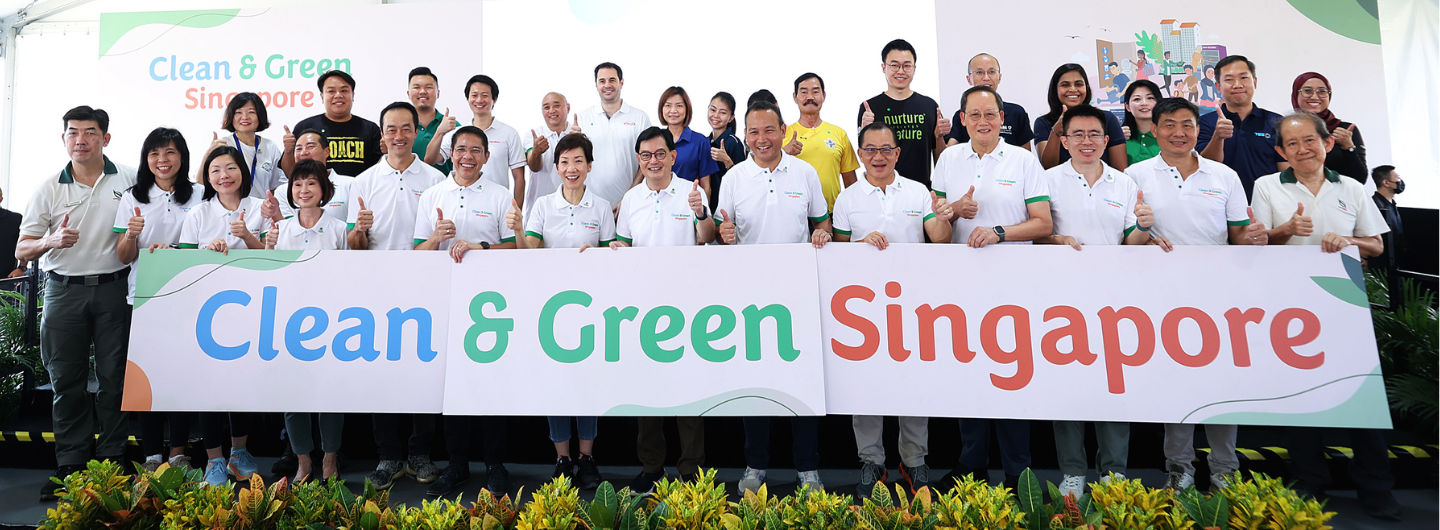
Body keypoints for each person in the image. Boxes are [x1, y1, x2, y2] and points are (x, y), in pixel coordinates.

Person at [1248, 111, 1397, 520]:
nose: (1302, 149)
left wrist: (1347, 240)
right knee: (1301, 396)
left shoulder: (1350, 187)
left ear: (1327, 143)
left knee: (1360, 396)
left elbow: (1376, 246)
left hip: (1344, 301)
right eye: (1291, 144)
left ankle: (1375, 486)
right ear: (1281, 151)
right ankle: (1310, 481)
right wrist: (1285, 230)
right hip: (1289, 305)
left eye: (1309, 141)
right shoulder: (1266, 186)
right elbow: (1256, 243)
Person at [1128, 98, 1267, 491]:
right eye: (1169, 125)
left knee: (1221, 384)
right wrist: (1145, 240)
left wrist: (1253, 237)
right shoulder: (1134, 175)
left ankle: (1225, 470)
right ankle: (1179, 468)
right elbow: (1129, 236)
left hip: (1216, 298)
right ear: (1153, 130)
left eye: (1187, 125)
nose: (1178, 133)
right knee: (1178, 385)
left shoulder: (1224, 175)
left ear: (1197, 129)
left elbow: (1239, 233)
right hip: (1161, 297)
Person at [931, 87, 1052, 492]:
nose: (983, 121)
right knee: (970, 373)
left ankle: (1019, 471)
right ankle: (972, 467)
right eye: (974, 114)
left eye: (991, 114)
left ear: (1003, 118)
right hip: (963, 287)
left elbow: (1043, 223)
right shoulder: (948, 159)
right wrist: (950, 213)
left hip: (1015, 286)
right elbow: (938, 228)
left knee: (1012, 375)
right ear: (962, 120)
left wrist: (999, 232)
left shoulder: (1022, 159)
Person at [714, 101, 832, 494]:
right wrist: (722, 232)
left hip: (798, 295)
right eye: (753, 132)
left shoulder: (805, 172)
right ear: (744, 135)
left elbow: (821, 222)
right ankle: (755, 466)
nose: (761, 139)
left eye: (768, 130)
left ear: (783, 130)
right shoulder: (733, 178)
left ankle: (807, 469)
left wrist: (824, 234)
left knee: (803, 385)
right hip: (748, 299)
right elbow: (721, 223)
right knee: (755, 387)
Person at [20, 106, 137, 501]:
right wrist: (49, 242)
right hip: (63, 291)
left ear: (106, 137)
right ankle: (70, 463)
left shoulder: (129, 178)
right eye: (73, 133)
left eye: (90, 132)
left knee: (114, 378)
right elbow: (23, 247)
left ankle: (113, 457)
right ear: (64, 139)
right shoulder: (49, 186)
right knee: (66, 382)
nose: (81, 140)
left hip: (114, 288)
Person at [1036, 105, 1152, 498]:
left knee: (1113, 388)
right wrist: (1056, 239)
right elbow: (1035, 236)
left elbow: (1131, 242)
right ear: (1064, 140)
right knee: (1068, 390)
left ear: (1107, 140)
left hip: (1114, 302)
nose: (1087, 142)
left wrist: (1145, 229)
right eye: (1078, 135)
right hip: (1061, 303)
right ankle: (1073, 472)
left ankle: (1113, 472)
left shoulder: (1125, 184)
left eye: (1094, 135)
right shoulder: (1047, 180)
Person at [835, 122, 954, 497]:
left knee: (912, 385)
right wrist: (860, 244)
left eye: (886, 149)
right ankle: (871, 461)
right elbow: (837, 256)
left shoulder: (919, 193)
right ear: (860, 154)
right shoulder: (847, 199)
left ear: (898, 153)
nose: (878, 157)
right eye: (870, 150)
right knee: (866, 388)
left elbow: (940, 238)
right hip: (861, 313)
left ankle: (914, 461)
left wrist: (943, 217)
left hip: (911, 308)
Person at [414, 124, 517, 497]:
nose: (467, 157)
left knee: (490, 385)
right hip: (446, 303)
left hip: (493, 308)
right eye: (461, 149)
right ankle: (457, 464)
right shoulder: (432, 195)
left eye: (476, 150)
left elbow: (516, 249)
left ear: (487, 157)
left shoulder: (501, 195)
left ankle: (495, 466)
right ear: (451, 153)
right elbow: (416, 254)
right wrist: (435, 240)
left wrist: (480, 248)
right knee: (452, 386)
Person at [347, 102, 446, 490]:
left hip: (427, 286)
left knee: (424, 373)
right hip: (379, 290)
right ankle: (388, 455)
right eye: (392, 129)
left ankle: (420, 452)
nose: (399, 136)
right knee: (382, 374)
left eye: (406, 128)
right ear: (382, 135)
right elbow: (354, 246)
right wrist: (359, 230)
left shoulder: (436, 178)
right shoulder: (364, 181)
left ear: (414, 132)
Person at [506, 132, 612, 489]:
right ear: (556, 167)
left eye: (578, 161)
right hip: (550, 309)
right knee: (556, 384)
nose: (571, 168)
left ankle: (587, 458)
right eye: (565, 162)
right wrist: (520, 230)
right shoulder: (543, 206)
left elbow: (612, 253)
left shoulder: (601, 206)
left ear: (589, 166)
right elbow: (529, 253)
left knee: (587, 385)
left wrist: (598, 255)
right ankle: (562, 459)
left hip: (591, 310)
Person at [614, 127, 716, 493]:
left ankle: (691, 469)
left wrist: (701, 212)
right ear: (639, 160)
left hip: (687, 308)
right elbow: (622, 246)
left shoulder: (692, 190)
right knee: (649, 391)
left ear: (673, 156)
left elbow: (707, 238)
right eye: (646, 155)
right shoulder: (631, 200)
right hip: (643, 309)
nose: (653, 161)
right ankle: (651, 466)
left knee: (689, 391)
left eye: (660, 154)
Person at [114, 128, 204, 474]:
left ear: (182, 157)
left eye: (169, 153)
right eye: (154, 154)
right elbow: (124, 256)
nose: (162, 161)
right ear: (146, 159)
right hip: (144, 297)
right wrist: (132, 235)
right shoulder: (132, 197)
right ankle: (152, 455)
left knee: (180, 377)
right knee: (144, 378)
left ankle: (178, 451)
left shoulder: (198, 195)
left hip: (188, 296)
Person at [179, 145, 270, 485]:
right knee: (209, 387)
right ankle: (214, 460)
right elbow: (184, 265)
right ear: (208, 177)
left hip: (254, 308)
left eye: (230, 168)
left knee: (241, 384)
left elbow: (276, 254)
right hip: (208, 313)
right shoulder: (198, 215)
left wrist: (248, 235)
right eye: (215, 170)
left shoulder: (261, 208)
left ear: (242, 173)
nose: (223, 176)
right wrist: (206, 252)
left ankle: (239, 452)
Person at [260, 160, 348, 482]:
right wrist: (268, 249)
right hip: (289, 323)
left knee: (329, 395)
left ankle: (329, 459)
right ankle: (303, 462)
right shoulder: (280, 229)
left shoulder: (339, 229)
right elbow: (270, 276)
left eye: (311, 183)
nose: (304, 190)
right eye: (298, 184)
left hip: (333, 323)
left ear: (324, 189)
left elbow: (350, 277)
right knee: (293, 395)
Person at [857, 39, 950, 188]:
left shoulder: (929, 106)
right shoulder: (869, 108)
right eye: (894, 65)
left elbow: (940, 160)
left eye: (907, 66)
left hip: (922, 191)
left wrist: (939, 136)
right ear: (883, 67)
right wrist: (865, 130)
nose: (901, 71)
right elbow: (865, 156)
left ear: (914, 68)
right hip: (882, 191)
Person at [428, 75, 527, 206]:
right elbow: (430, 159)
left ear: (494, 99)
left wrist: (516, 211)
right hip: (461, 201)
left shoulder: (509, 133)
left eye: (485, 95)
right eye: (474, 95)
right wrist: (440, 131)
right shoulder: (458, 133)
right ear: (468, 99)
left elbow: (519, 178)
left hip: (496, 204)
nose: (479, 100)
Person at [1198, 55, 1288, 198]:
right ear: (1218, 87)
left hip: (1267, 201)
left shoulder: (1276, 121)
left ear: (1255, 82)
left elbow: (1285, 170)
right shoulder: (1205, 122)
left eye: (1244, 78)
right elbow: (1205, 166)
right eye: (1229, 79)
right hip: (1220, 203)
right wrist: (1218, 136)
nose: (1237, 85)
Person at [577, 62, 653, 207]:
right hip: (589, 204)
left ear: (621, 82)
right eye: (602, 81)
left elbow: (647, 160)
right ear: (596, 85)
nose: (607, 85)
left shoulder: (640, 118)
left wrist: (629, 198)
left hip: (630, 203)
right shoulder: (582, 119)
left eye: (612, 80)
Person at [284, 70, 382, 177]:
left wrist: (389, 152)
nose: (338, 95)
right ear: (322, 97)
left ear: (352, 95)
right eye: (331, 91)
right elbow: (289, 174)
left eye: (344, 91)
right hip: (315, 192)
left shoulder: (370, 129)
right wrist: (288, 151)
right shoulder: (305, 127)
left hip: (360, 192)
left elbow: (379, 172)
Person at [784, 73, 858, 212]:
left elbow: (850, 182)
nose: (810, 97)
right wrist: (783, 152)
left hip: (832, 213)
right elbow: (766, 173)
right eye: (804, 92)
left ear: (823, 95)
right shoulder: (783, 134)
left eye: (815, 92)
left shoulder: (839, 134)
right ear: (795, 97)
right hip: (792, 214)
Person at [1034, 64, 1128, 171]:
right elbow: (1048, 167)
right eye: (1065, 85)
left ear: (1086, 88)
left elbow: (1120, 170)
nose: (1073, 89)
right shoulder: (1044, 123)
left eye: (1078, 84)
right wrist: (1056, 131)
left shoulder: (1107, 119)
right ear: (1055, 89)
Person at [201, 92, 287, 199]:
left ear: (260, 116)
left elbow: (277, 185)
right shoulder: (223, 144)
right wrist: (209, 153)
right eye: (238, 112)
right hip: (231, 209)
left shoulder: (270, 146)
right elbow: (201, 182)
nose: (245, 117)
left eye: (251, 112)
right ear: (231, 117)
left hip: (261, 211)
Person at [946, 54, 1033, 150]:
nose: (986, 77)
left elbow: (1025, 154)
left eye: (992, 72)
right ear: (969, 79)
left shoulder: (1016, 113)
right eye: (979, 72)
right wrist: (938, 136)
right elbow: (950, 153)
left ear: (999, 77)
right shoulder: (963, 114)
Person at [1291, 72, 1366, 183]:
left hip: (1341, 197)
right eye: (1307, 91)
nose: (1315, 96)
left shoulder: (1345, 130)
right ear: (1295, 94)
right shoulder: (1287, 130)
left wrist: (1348, 147)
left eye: (1322, 91)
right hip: (1298, 196)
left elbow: (1360, 179)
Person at [522, 93, 582, 216]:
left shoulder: (578, 134)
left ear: (568, 108)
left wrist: (579, 140)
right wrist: (536, 152)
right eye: (546, 107)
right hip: (539, 210)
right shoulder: (534, 135)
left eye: (556, 106)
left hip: (573, 208)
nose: (552, 111)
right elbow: (534, 167)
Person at [657, 86, 720, 199]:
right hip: (658, 204)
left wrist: (702, 213)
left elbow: (706, 187)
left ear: (687, 109)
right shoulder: (656, 140)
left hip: (687, 206)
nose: (673, 110)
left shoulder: (700, 142)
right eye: (668, 105)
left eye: (679, 105)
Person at [406, 66, 454, 173]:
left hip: (442, 187)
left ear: (438, 93)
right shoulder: (400, 127)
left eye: (428, 87)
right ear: (408, 94)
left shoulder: (451, 126)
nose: (422, 91)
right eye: (416, 87)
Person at [706, 92, 747, 213]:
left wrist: (727, 161)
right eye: (713, 110)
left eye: (723, 112)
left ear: (731, 118)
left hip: (727, 207)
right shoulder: (705, 141)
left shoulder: (733, 142)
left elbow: (743, 181)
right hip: (709, 205)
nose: (716, 115)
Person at [1371, 165, 1405, 310]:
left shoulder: (1392, 204)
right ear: (1386, 182)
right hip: (1381, 264)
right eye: (1397, 179)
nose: (1400, 182)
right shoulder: (1374, 205)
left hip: (1396, 261)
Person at [1121, 80, 1163, 165]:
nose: (1144, 103)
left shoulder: (1169, 137)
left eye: (1150, 98)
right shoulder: (1120, 138)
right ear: (1127, 107)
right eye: (1137, 99)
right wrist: (1117, 139)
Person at [0, 188, 23, 279]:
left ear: (1, 198)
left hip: (5, 280)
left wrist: (21, 268)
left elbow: (26, 244)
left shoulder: (15, 219)